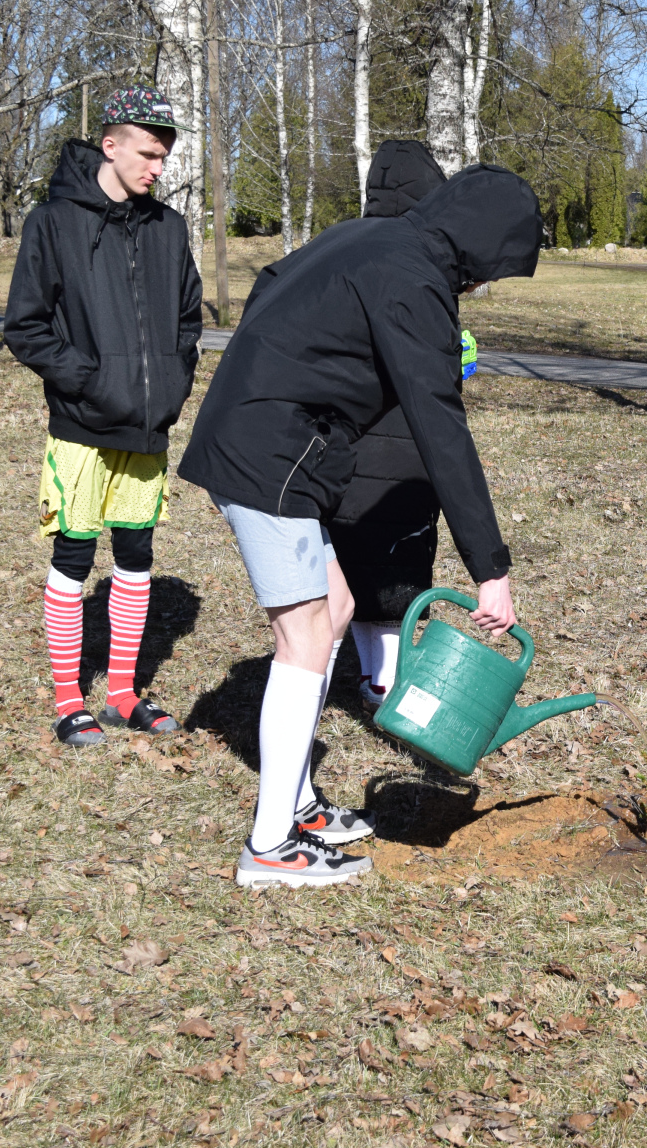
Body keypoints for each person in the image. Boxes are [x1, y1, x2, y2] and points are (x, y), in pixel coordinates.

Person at [177, 164, 539, 888]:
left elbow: (272, 282)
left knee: (336, 606)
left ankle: (299, 806)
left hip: (272, 441)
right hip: (269, 456)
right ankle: (270, 848)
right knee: (306, 636)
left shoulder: (368, 238)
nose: (479, 287)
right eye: (490, 270)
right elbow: (440, 426)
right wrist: (490, 568)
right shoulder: (414, 279)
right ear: (479, 243)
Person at [3, 85, 203, 747]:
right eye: (148, 153)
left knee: (137, 555)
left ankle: (121, 693)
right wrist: (89, 381)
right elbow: (26, 327)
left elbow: (187, 321)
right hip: (83, 427)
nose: (157, 167)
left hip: (148, 428)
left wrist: (171, 382)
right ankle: (69, 700)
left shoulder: (169, 228)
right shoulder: (53, 222)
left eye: (164, 156)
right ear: (110, 145)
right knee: (74, 554)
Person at [332, 139, 449, 712]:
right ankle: (386, 683)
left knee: (357, 560)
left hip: (346, 435)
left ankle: (371, 675)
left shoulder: (345, 247)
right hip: (400, 433)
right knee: (395, 562)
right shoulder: (414, 260)